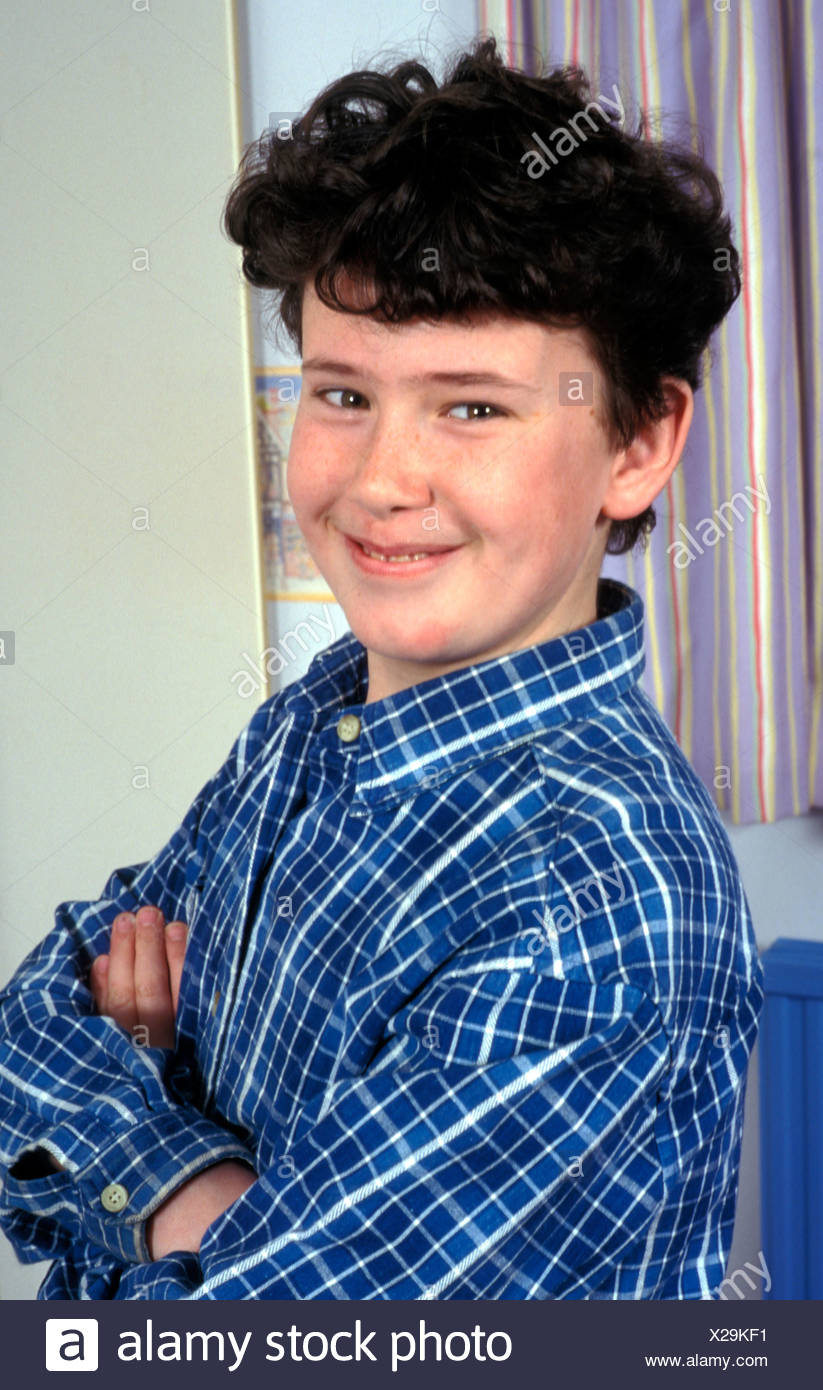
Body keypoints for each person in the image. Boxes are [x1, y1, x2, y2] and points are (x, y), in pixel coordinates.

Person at [0, 35, 763, 1300]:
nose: (376, 481)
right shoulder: (317, 719)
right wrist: (191, 1182)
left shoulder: (604, 903)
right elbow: (36, 1011)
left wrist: (141, 1109)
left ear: (639, 441)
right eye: (342, 393)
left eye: (471, 406)